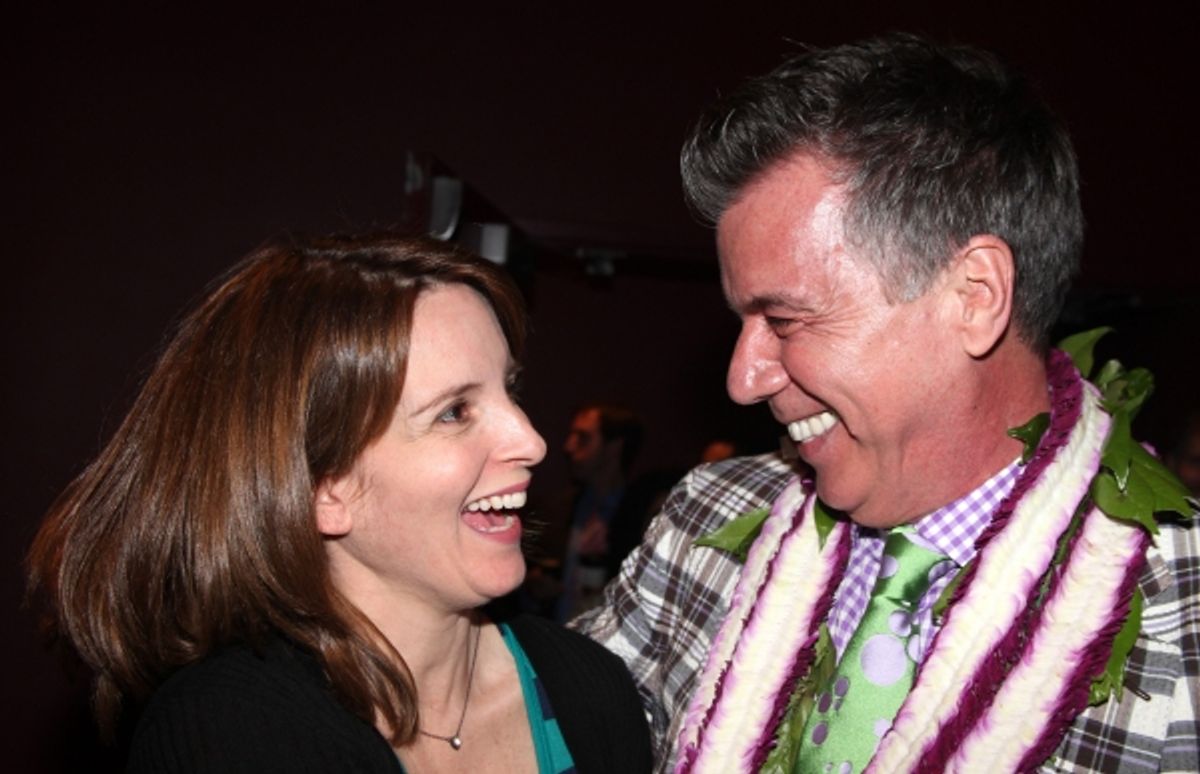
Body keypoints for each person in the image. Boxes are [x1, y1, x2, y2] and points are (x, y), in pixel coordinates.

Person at [575, 34, 1199, 773]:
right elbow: (555, 727)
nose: (742, 380)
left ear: (974, 296)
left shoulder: (1181, 618)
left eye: (786, 320)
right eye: (744, 324)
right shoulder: (701, 521)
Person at [27, 233, 652, 773]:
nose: (532, 441)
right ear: (325, 491)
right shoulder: (234, 736)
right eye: (455, 412)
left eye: (508, 390)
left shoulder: (588, 690)